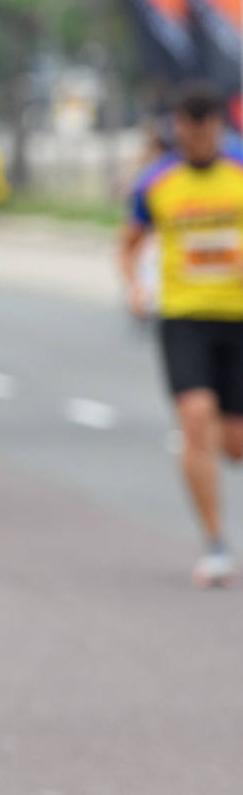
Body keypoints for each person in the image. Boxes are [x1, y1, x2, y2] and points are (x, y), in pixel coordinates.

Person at [120, 81, 243, 588]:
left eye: (206, 127)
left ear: (218, 125)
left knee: (233, 444)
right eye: (188, 129)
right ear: (178, 128)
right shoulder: (155, 182)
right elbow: (129, 241)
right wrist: (134, 287)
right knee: (195, 419)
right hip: (184, 317)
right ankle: (215, 543)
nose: (197, 137)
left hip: (237, 317)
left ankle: (216, 440)